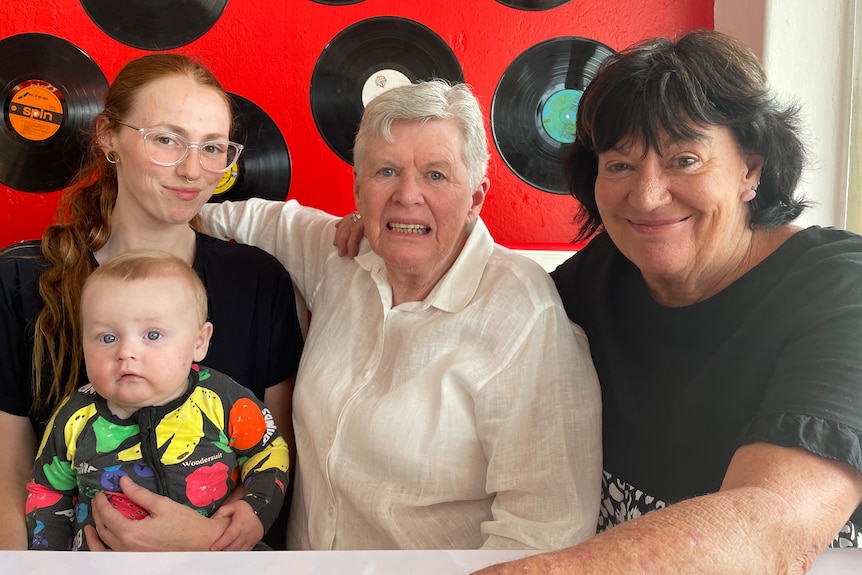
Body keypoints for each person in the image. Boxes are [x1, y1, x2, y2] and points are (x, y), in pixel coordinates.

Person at [469, 29, 862, 574]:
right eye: (620, 165)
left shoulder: (843, 291)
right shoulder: (599, 276)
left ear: (750, 168)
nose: (648, 196)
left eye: (684, 160)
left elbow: (774, 522)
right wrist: (390, 237)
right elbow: (471, 330)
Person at [200, 79, 603, 550]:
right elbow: (242, 219)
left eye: (436, 175)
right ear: (357, 188)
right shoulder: (341, 255)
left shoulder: (523, 313)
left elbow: (546, 531)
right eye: (386, 172)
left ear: (475, 197)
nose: (408, 195)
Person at [0, 53, 303, 551]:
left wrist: (207, 544)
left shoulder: (258, 280)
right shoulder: (21, 282)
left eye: (212, 148)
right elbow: (13, 475)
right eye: (166, 139)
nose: (191, 170)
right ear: (108, 138)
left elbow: (276, 453)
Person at [25, 250, 289, 551]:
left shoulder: (222, 399)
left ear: (198, 342)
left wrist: (256, 509)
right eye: (107, 338)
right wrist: (52, 563)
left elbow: (269, 449)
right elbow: (47, 490)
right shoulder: (75, 417)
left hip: (215, 559)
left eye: (152, 335)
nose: (126, 352)